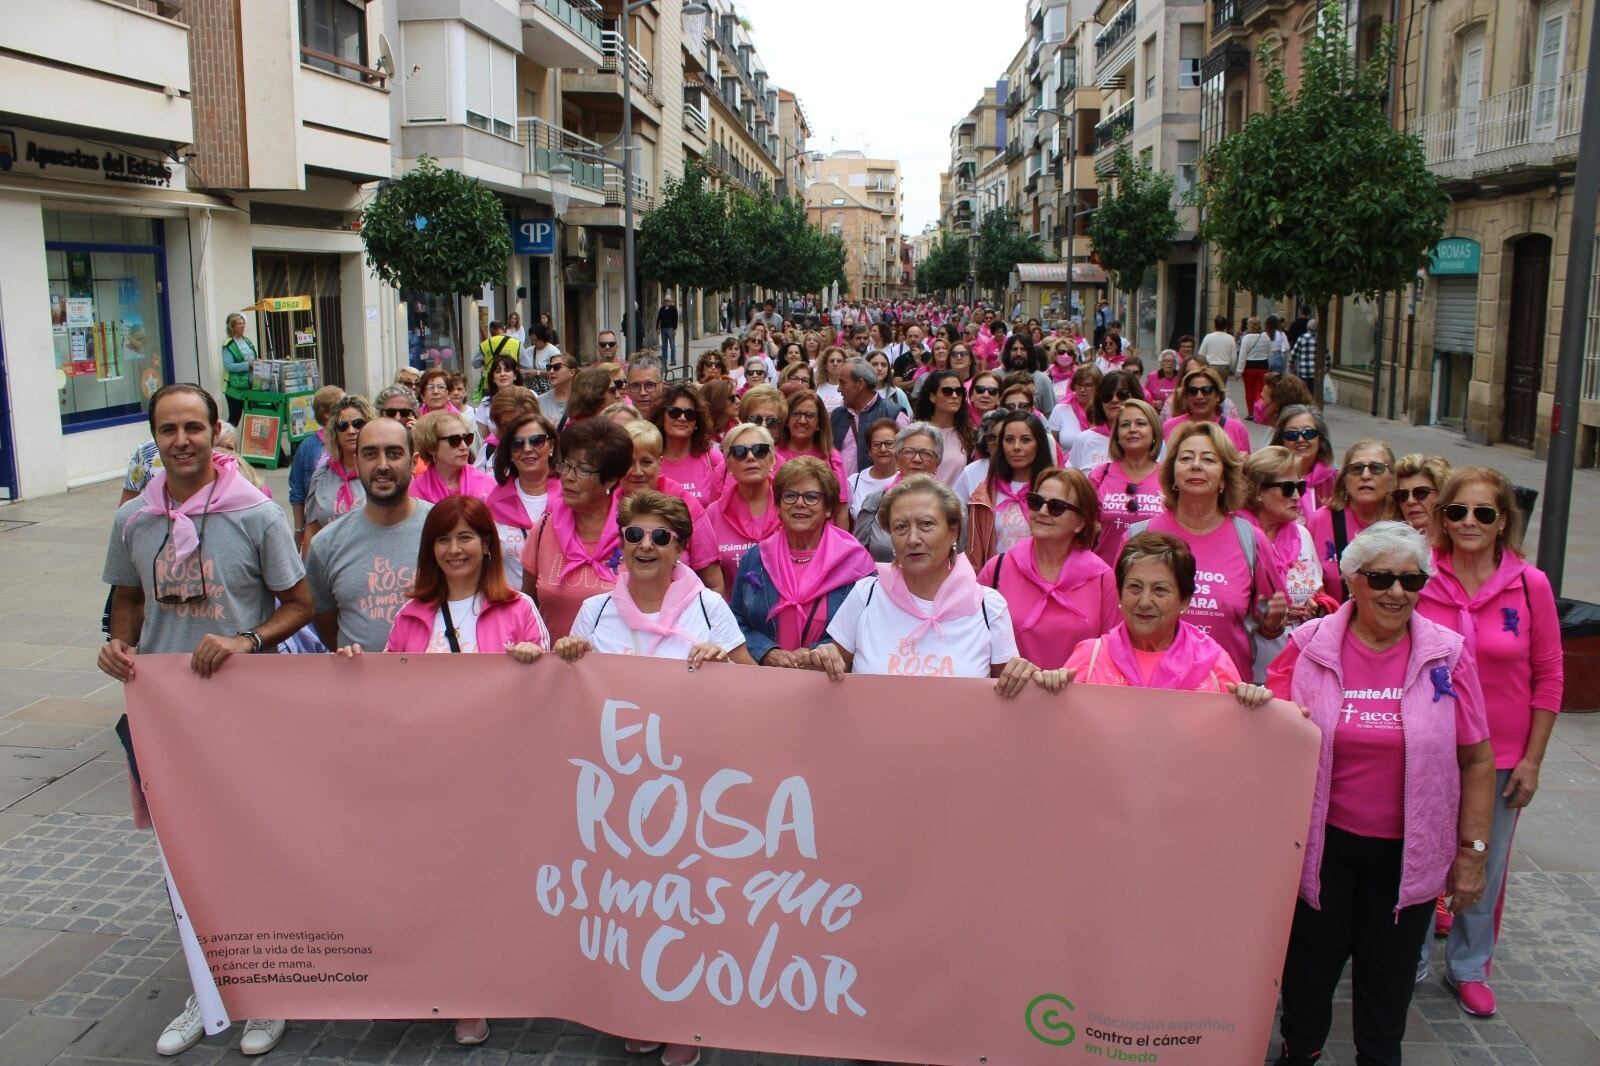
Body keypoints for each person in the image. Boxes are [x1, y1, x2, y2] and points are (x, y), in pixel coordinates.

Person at [99, 384, 310, 1059]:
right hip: (168, 717)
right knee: (184, 859)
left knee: (254, 849)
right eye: (169, 429)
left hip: (248, 714)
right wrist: (122, 644)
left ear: (217, 433)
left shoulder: (258, 515)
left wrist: (248, 640)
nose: (182, 440)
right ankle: (207, 983)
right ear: (154, 437)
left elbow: (300, 603)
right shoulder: (134, 520)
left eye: (194, 426)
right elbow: (126, 598)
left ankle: (266, 990)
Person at [1267, 522, 1494, 1066]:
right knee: (1309, 966)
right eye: (1382, 577)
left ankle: (1378, 1056)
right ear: (1351, 580)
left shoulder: (1448, 654)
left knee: (1388, 975)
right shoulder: (1306, 647)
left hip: (1407, 852)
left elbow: (1478, 758)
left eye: (1411, 580)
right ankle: (1301, 1050)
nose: (1397, 592)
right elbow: (1263, 736)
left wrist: (1472, 853)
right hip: (1320, 847)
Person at [1415, 468, 1563, 1016]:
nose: (1469, 522)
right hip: (1428, 748)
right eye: (1457, 511)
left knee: (1485, 863)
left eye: (1484, 512)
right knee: (1422, 855)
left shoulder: (1530, 585)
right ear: (1442, 517)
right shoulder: (1420, 576)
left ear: (1503, 521)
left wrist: (1533, 759)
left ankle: (1470, 966)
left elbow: (1549, 675)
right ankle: (1409, 961)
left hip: (1501, 756)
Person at [803, 475, 1066, 695]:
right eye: (900, 527)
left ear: (953, 531)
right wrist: (824, 657)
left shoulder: (988, 606)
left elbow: (1008, 690)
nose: (913, 539)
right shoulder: (866, 594)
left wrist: (1024, 676)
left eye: (926, 525)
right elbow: (832, 671)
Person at [1129, 421, 1287, 687]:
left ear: (1225, 476)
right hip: (1151, 690)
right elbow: (1119, 618)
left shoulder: (1250, 539)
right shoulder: (1141, 535)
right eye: (1186, 458)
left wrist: (1271, 621)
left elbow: (1265, 621)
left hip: (1227, 693)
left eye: (1209, 459)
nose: (1196, 465)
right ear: (1173, 473)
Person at [1064, 532, 1269, 701]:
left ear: (1185, 600)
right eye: (1134, 587)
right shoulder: (1089, 659)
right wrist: (1049, 687)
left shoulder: (1216, 667)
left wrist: (1251, 706)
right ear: (1119, 593)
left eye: (1160, 590)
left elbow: (1233, 740)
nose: (1144, 601)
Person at [729, 456, 875, 665]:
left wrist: (814, 653)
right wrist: (767, 652)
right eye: (790, 496)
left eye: (811, 497)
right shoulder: (756, 558)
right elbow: (735, 620)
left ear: (828, 509)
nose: (799, 503)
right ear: (778, 506)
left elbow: (866, 628)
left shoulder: (856, 562)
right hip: (767, 681)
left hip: (830, 684)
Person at [307, 417, 433, 652]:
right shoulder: (326, 544)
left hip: (432, 681)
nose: (382, 465)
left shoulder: (442, 530)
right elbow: (325, 624)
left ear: (413, 462)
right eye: (370, 454)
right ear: (357, 462)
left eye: (394, 454)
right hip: (359, 683)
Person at [978, 467, 1118, 669]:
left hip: (1078, 696)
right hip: (1008, 695)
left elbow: (1110, 651)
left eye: (1056, 506)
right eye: (1036, 502)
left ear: (1080, 522)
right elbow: (972, 637)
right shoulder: (997, 568)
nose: (1042, 511)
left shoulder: (1104, 578)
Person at [520, 418, 634, 638]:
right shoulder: (544, 527)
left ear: (610, 479)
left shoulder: (634, 533)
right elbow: (528, 604)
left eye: (582, 470)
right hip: (553, 666)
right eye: (567, 466)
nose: (568, 478)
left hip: (615, 666)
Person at [1243, 446, 1332, 680]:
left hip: (1298, 665)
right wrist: (1271, 614)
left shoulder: (1302, 535)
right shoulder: (1237, 536)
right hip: (1250, 667)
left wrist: (1317, 605)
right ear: (1258, 491)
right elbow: (1226, 608)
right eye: (1287, 488)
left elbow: (1318, 590)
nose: (1297, 496)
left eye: (1300, 487)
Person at [618, 420, 726, 596]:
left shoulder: (686, 505)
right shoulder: (604, 504)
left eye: (646, 462)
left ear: (660, 463)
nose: (637, 472)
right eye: (629, 463)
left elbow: (714, 585)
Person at [1306, 440, 1398, 599]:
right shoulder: (1320, 520)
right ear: (1344, 480)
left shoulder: (1402, 522)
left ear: (1391, 480)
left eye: (1376, 468)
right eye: (1356, 469)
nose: (1365, 475)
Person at [854, 423, 955, 562]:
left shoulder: (953, 505)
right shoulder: (875, 501)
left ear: (938, 461)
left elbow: (958, 555)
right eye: (909, 451)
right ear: (897, 458)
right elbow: (858, 556)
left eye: (926, 453)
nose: (917, 459)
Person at [966, 410, 1054, 566]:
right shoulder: (984, 495)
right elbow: (975, 558)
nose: (1016, 447)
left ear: (1039, 444)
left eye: (1026, 440)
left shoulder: (1054, 492)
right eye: (1009, 440)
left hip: (1042, 582)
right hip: (995, 582)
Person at [1088, 398, 1164, 566]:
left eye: (1140, 423)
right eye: (1125, 424)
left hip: (1153, 578)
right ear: (1117, 436)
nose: (1132, 429)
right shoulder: (1100, 475)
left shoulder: (1169, 477)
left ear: (1154, 432)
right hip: (1104, 575)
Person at [704, 421, 779, 591]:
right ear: (728, 464)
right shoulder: (713, 513)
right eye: (739, 452)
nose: (751, 457)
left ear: (772, 458)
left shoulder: (790, 505)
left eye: (760, 450)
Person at [485, 411, 556, 589]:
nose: (527, 449)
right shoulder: (495, 503)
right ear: (509, 453)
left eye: (537, 441)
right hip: (513, 607)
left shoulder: (571, 496)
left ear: (552, 446)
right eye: (517, 443)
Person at [301, 395, 376, 551]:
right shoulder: (321, 477)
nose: (351, 431)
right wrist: (308, 573)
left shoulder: (380, 474)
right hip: (330, 564)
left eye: (358, 424)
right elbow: (312, 530)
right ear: (335, 433)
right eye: (343, 426)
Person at [774, 389, 849, 525]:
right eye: (796, 413)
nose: (802, 420)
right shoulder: (771, 455)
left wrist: (838, 545)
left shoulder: (831, 456)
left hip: (823, 539)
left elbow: (841, 509)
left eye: (810, 415)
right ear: (786, 419)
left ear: (819, 423)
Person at [286, 385, 347, 541]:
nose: (348, 408)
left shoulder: (354, 441)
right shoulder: (308, 448)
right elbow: (297, 491)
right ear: (326, 413)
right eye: (343, 404)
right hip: (319, 528)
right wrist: (299, 529)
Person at [651, 383, 725, 504]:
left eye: (690, 414)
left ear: (697, 422)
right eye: (674, 412)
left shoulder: (713, 459)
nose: (682, 418)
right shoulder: (649, 460)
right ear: (661, 416)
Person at [830, 357, 903, 475]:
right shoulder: (837, 415)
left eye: (843, 383)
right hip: (840, 491)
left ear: (860, 384)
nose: (839, 389)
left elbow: (904, 457)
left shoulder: (893, 414)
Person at [910, 369, 977, 487]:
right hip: (921, 500)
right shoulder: (915, 432)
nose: (955, 396)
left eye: (959, 391)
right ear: (932, 397)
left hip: (956, 503)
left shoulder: (970, 435)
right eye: (947, 391)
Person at [410, 411, 495, 503]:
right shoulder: (415, 493)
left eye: (467, 438)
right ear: (431, 447)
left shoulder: (486, 484)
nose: (464, 446)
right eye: (454, 440)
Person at [1163, 366, 1251, 454]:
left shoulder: (1237, 429)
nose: (1199, 396)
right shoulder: (1170, 427)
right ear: (1185, 397)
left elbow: (1248, 465)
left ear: (1218, 396)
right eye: (1192, 391)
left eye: (1206, 390)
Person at [1069, 371, 1144, 471]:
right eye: (1107, 395)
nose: (1114, 400)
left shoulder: (1150, 440)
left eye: (1122, 394)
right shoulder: (1083, 440)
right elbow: (1071, 483)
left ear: (1136, 398)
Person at [1270, 405, 1337, 508]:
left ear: (1320, 439)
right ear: (1281, 441)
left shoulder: (1335, 480)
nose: (1300, 439)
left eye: (1308, 433)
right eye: (1292, 434)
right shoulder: (1268, 477)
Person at [848, 418, 902, 519]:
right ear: (869, 450)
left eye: (889, 444)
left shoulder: (906, 480)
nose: (883, 449)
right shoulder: (854, 482)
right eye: (877, 445)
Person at [998, 333, 1057, 416]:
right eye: (1014, 349)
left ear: (1030, 352)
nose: (1019, 353)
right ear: (1008, 352)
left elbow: (1049, 414)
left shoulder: (1043, 380)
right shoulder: (997, 376)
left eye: (1023, 349)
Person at [1048, 364, 1101, 454]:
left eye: (1088, 385)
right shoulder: (1060, 409)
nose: (1082, 389)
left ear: (1098, 387)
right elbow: (1051, 445)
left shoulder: (1104, 410)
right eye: (1079, 384)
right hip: (1066, 466)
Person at [1392, 453, 1451, 532]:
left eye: (1421, 493)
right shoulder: (1389, 541)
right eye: (1402, 495)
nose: (1410, 501)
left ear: (1442, 495)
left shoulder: (1462, 541)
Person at [220, 312, 258, 426]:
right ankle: (225, 441)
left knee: (253, 418)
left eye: (243, 323)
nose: (242, 326)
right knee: (234, 419)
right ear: (232, 327)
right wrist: (248, 365)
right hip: (234, 389)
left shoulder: (247, 341)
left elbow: (253, 358)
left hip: (249, 386)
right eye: (239, 324)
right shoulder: (228, 344)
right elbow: (229, 366)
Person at [474, 355, 522, 440]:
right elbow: (483, 438)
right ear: (493, 377)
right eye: (498, 371)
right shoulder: (486, 403)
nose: (502, 374)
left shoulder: (529, 396)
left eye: (507, 370)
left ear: (515, 375)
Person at [1235, 316, 1272, 417]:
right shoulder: (1266, 337)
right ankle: (1259, 411)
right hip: (1263, 366)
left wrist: (1239, 371)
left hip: (1249, 367)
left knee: (1249, 391)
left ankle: (1251, 413)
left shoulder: (1246, 338)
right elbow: (1270, 353)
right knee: (1260, 391)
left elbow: (1242, 355)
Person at [536, 352, 577, 427]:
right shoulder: (539, 401)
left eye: (557, 367)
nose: (551, 371)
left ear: (572, 372)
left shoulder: (583, 400)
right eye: (549, 367)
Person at [624, 353, 666, 420]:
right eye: (635, 386)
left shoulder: (673, 423)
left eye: (650, 385)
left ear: (662, 387)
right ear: (627, 389)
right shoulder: (620, 425)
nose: (642, 393)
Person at [1197, 314, 1237, 382]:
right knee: (1222, 388)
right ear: (1225, 326)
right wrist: (1232, 369)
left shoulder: (1208, 337)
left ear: (1214, 325)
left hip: (1210, 366)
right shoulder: (1231, 338)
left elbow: (1201, 354)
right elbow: (1233, 357)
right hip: (1224, 367)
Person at [814, 345, 848, 411]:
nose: (835, 364)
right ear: (825, 365)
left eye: (839, 361)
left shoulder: (849, 386)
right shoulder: (816, 386)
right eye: (832, 361)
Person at [1292, 317, 1319, 385]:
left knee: (1304, 393)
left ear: (1307, 328)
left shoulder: (1302, 338)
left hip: (1304, 373)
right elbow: (1326, 357)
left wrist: (1291, 366)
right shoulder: (1320, 340)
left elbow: (1293, 354)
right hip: (1316, 374)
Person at [656, 292, 678, 368]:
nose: (666, 302)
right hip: (663, 329)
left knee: (672, 346)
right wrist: (657, 329)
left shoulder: (673, 309)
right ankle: (664, 360)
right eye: (665, 301)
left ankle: (673, 360)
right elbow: (658, 319)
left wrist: (675, 329)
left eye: (668, 300)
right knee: (664, 346)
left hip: (670, 329)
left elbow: (676, 319)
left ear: (670, 301)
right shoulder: (661, 309)